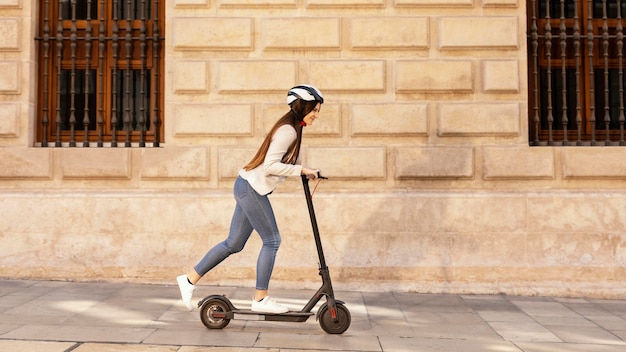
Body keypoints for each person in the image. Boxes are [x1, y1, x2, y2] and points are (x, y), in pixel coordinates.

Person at [177, 84, 325, 313]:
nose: (316, 115)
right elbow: (270, 166)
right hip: (251, 189)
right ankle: (260, 299)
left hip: (247, 186)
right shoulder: (289, 131)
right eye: (314, 109)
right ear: (303, 107)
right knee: (272, 241)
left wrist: (306, 170)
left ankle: (188, 280)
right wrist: (302, 170)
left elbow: (282, 163)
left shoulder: (293, 129)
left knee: (233, 243)